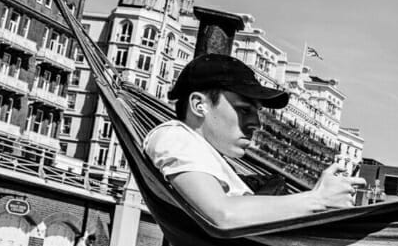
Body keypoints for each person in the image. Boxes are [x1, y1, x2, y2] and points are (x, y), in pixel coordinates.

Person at [142, 54, 364, 231]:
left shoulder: (207, 156)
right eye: (244, 110)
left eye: (256, 113)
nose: (256, 124)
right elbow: (223, 214)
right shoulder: (174, 136)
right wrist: (318, 200)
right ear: (200, 105)